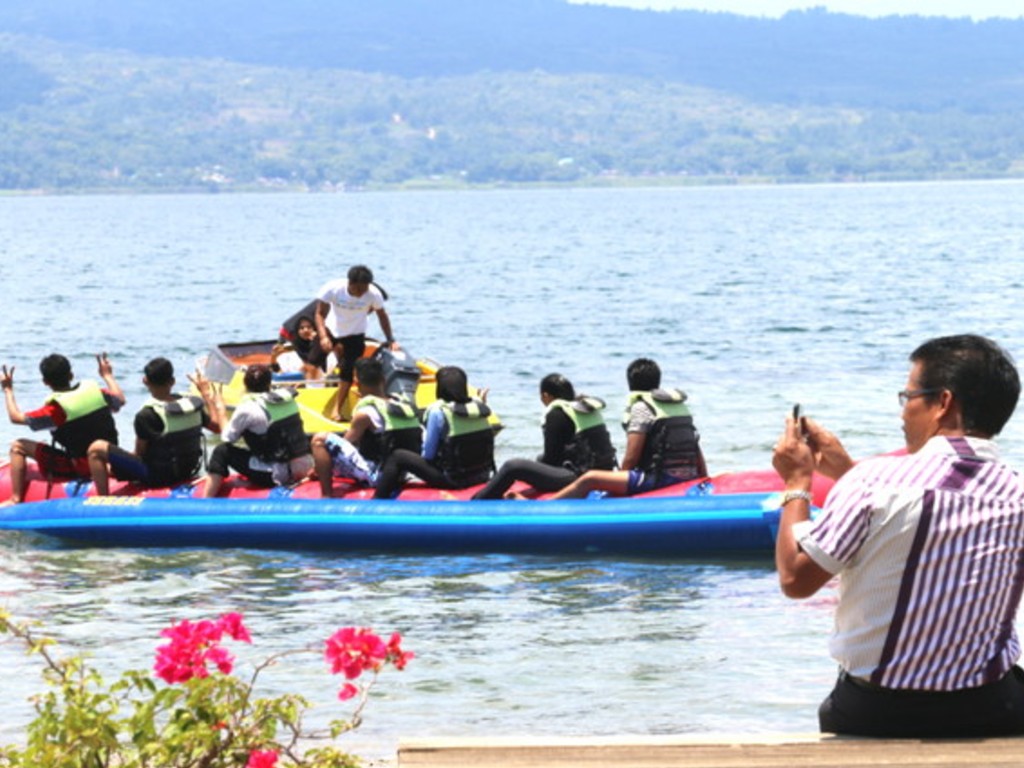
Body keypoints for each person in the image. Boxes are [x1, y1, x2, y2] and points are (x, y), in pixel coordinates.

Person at [772, 334, 1024, 738]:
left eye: (908, 397)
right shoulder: (1017, 490)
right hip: (991, 707)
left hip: (873, 710)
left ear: (942, 403)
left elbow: (796, 579)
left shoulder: (872, 480)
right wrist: (847, 474)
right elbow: (940, 502)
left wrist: (798, 482)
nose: (903, 413)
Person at [544, 357, 707, 500]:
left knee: (590, 479)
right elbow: (695, 447)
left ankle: (546, 509)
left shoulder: (641, 408)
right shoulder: (677, 407)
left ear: (630, 383)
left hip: (656, 479)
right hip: (688, 476)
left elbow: (631, 458)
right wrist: (704, 478)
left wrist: (617, 485)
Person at [86, 357, 224, 494]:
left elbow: (140, 454)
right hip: (187, 471)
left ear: (145, 381)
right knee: (113, 465)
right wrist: (206, 394)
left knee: (96, 448)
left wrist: (116, 465)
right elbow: (217, 427)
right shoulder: (190, 405)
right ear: (173, 381)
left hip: (156, 477)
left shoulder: (146, 414)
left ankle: (102, 500)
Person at [1, 353, 125, 505]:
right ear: (71, 375)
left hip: (81, 466)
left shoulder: (55, 410)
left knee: (18, 446)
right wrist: (107, 375)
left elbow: (15, 418)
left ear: (45, 382)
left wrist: (8, 390)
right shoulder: (97, 393)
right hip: (110, 457)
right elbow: (120, 400)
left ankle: (15, 498)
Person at [473, 373, 617, 499]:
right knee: (538, 459)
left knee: (513, 467)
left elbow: (552, 458)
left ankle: (477, 501)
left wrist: (534, 472)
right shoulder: (583, 408)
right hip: (604, 472)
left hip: (578, 477)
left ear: (546, 396)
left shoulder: (556, 414)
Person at [373, 366, 494, 499]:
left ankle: (378, 499)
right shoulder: (479, 408)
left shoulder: (438, 412)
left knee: (398, 456)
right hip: (482, 476)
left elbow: (428, 455)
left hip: (453, 480)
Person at [310, 356, 422, 496]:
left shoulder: (365, 413)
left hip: (378, 476)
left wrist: (317, 468)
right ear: (384, 379)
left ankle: (326, 496)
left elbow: (346, 444)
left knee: (320, 440)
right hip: (405, 474)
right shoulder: (401, 404)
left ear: (356, 382)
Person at [200, 363, 313, 497]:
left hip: (275, 475)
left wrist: (220, 409)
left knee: (221, 451)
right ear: (269, 382)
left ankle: (206, 500)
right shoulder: (288, 399)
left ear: (245, 385)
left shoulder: (247, 408)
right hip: (304, 467)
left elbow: (227, 438)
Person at [314, 265, 396, 421]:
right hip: (331, 329)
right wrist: (323, 336)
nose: (361, 293)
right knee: (313, 359)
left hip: (355, 333)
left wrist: (390, 338)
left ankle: (337, 410)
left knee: (347, 371)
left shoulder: (373, 293)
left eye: (364, 289)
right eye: (358, 289)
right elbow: (319, 314)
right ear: (349, 283)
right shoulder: (333, 288)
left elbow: (382, 315)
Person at [271, 314, 328, 381]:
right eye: (301, 328)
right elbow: (278, 371)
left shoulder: (322, 346)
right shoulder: (289, 348)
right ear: (297, 331)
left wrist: (316, 342)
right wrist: (274, 356)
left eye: (309, 327)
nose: (306, 330)